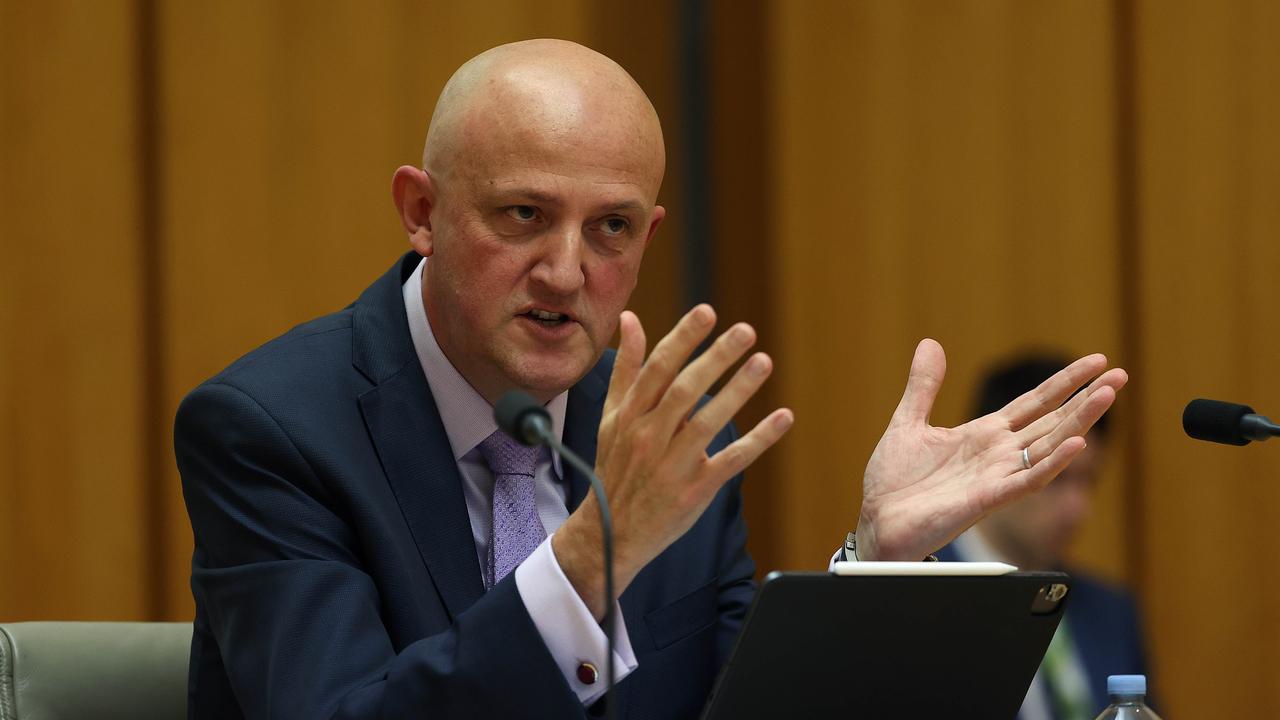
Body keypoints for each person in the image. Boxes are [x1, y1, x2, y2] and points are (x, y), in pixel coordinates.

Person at [176, 39, 1127, 719]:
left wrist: (874, 565)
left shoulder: (667, 434)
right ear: (421, 212)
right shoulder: (273, 430)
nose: (564, 271)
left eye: (611, 228)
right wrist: (592, 555)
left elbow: (737, 700)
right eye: (521, 215)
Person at [938, 354, 1151, 720]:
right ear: (993, 459)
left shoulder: (1111, 611)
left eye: (1089, 481)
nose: (1078, 509)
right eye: (1058, 478)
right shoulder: (922, 597)